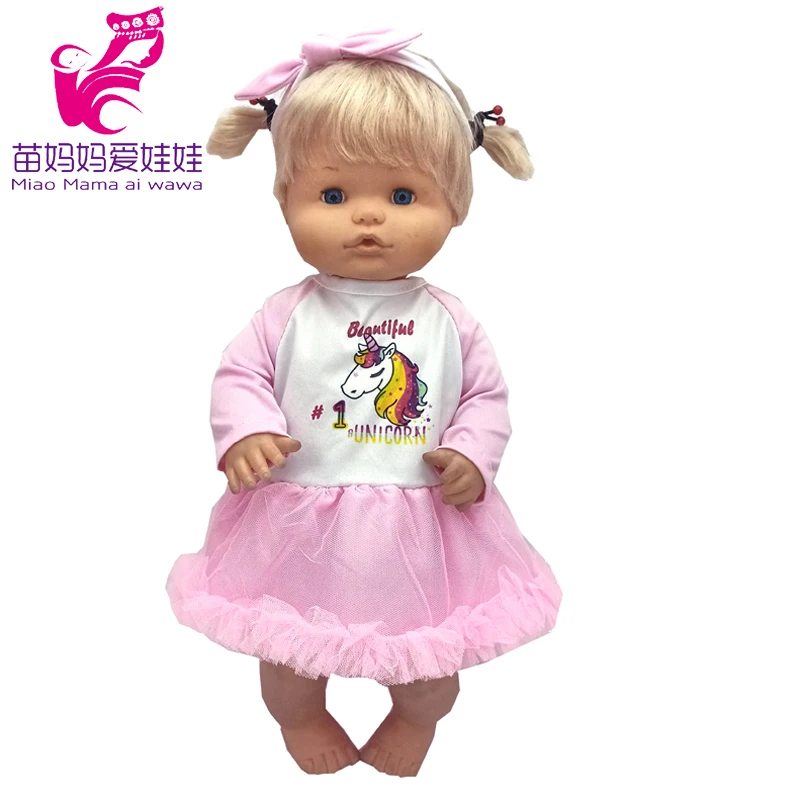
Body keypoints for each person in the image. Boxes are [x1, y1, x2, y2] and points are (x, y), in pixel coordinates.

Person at [166, 29, 562, 778]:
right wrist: (247, 432)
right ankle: (301, 715)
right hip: (298, 516)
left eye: (402, 195)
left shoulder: (449, 321)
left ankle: (415, 719)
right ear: (285, 198)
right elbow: (240, 375)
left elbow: (485, 396)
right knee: (288, 653)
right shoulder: (285, 314)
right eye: (334, 195)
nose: (368, 217)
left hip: (422, 522)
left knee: (428, 664)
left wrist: (471, 454)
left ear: (455, 205)